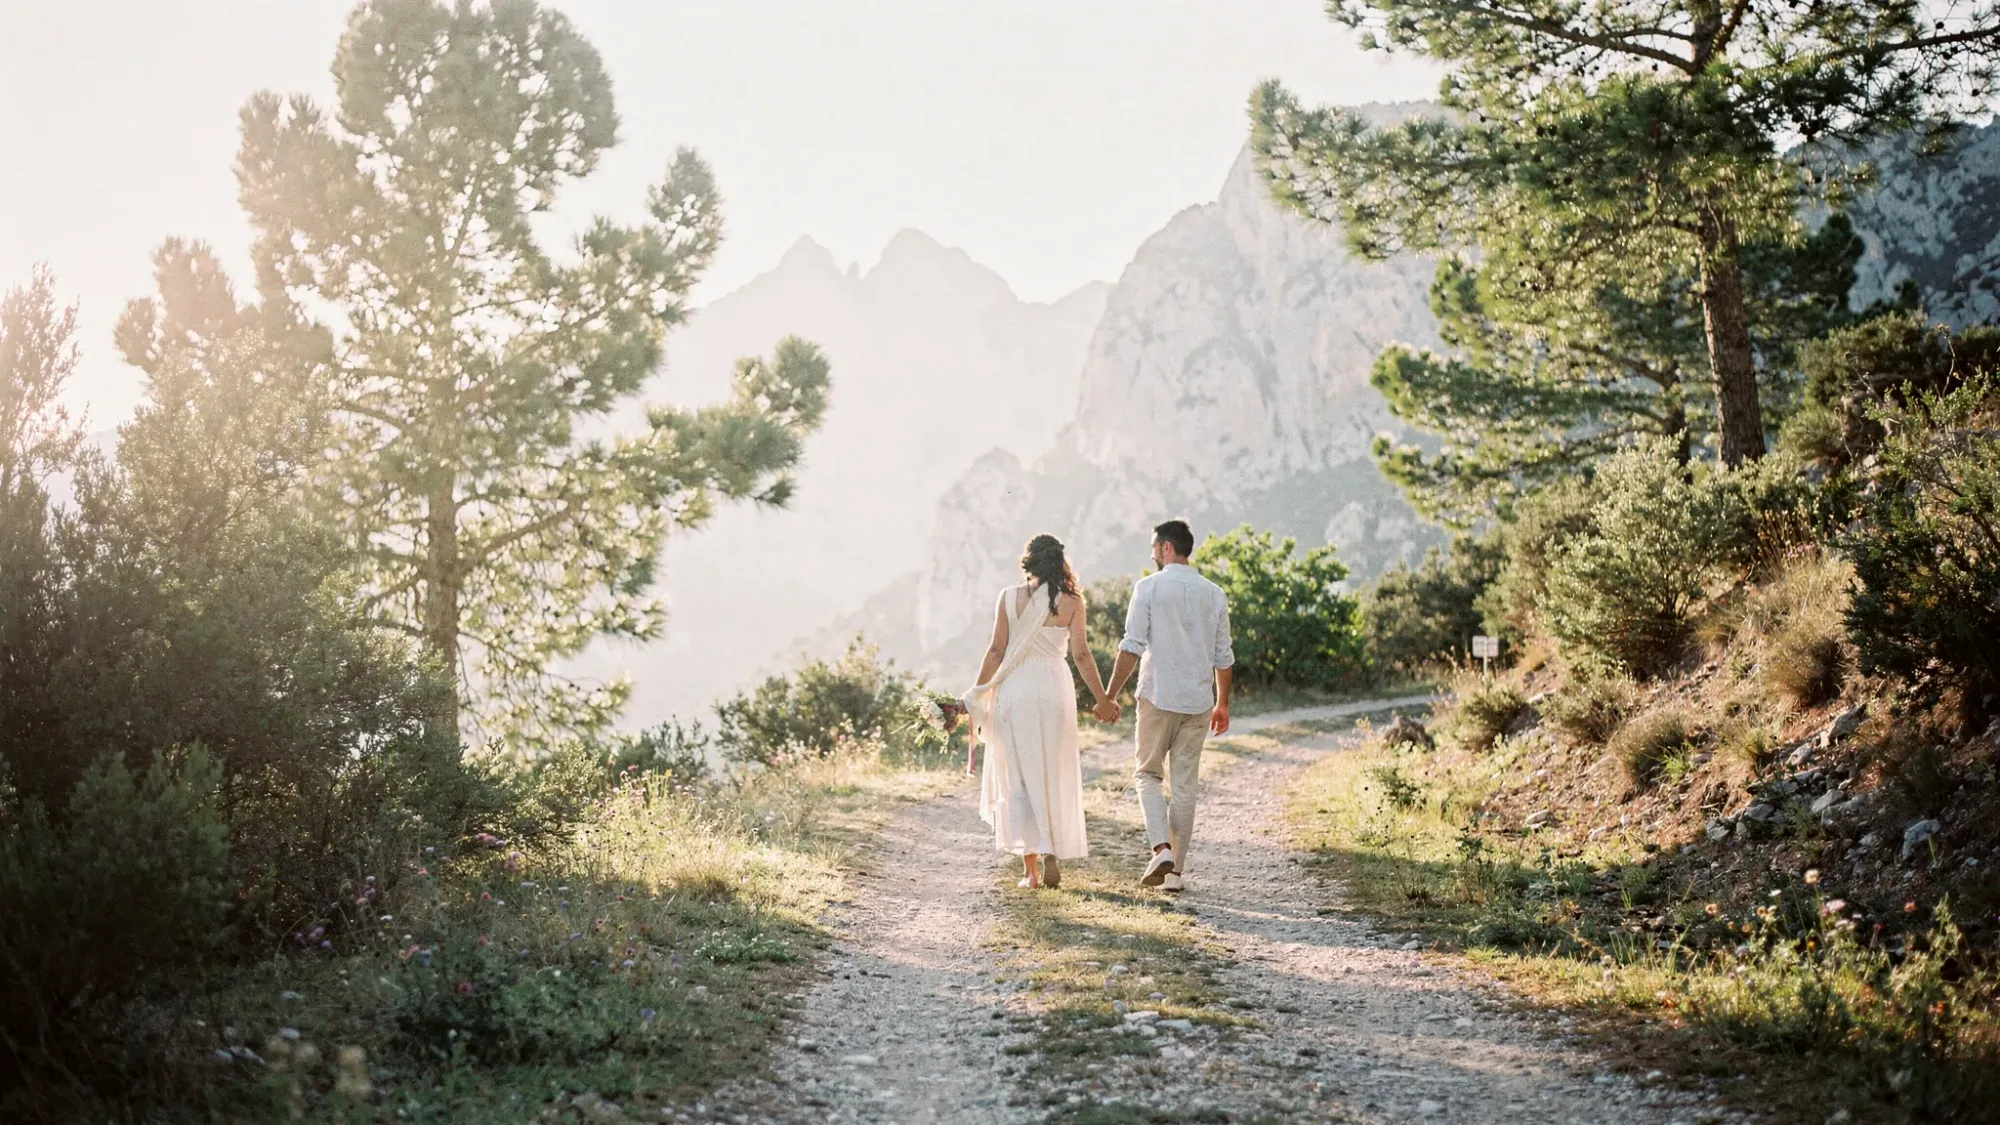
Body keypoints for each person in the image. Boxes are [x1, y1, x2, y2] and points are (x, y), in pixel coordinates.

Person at [962, 535, 1118, 889]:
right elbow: (1081, 656)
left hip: (1016, 690)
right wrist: (1103, 699)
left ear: (1028, 561)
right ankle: (1051, 850)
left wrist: (976, 694)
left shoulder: (1007, 598)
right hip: (1053, 688)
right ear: (1060, 562)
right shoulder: (1072, 602)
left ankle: (1030, 872)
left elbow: (995, 652)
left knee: (1018, 776)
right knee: (1052, 768)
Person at [1104, 519, 1233, 893]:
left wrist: (1111, 695)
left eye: (1153, 547)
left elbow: (1132, 646)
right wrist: (1222, 704)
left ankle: (1161, 849)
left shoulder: (1148, 587)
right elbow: (1223, 656)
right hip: (1198, 702)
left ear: (1166, 548)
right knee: (1185, 787)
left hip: (1158, 697)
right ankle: (1175, 875)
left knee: (1146, 775)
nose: (1152, 554)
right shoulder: (1214, 593)